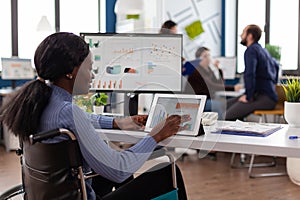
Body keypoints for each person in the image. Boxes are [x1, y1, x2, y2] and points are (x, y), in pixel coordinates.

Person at [0, 32, 190, 200]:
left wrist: (116, 122)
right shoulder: (68, 112)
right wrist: (155, 136)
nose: (92, 76)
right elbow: (118, 169)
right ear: (70, 72)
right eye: (89, 68)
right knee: (167, 169)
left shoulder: (38, 103)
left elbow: (84, 119)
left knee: (108, 170)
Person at [225, 24, 279, 121]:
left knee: (227, 116)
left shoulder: (251, 50)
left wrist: (248, 97)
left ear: (250, 36)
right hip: (266, 96)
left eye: (243, 32)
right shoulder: (263, 50)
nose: (241, 35)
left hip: (264, 98)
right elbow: (276, 66)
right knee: (226, 106)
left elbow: (250, 74)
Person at [184, 47, 241, 118]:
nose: (208, 58)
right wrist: (233, 88)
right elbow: (211, 85)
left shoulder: (208, 69)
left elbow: (220, 83)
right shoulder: (196, 70)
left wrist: (218, 69)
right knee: (218, 105)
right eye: (205, 56)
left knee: (226, 104)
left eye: (209, 55)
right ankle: (221, 127)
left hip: (205, 100)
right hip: (196, 101)